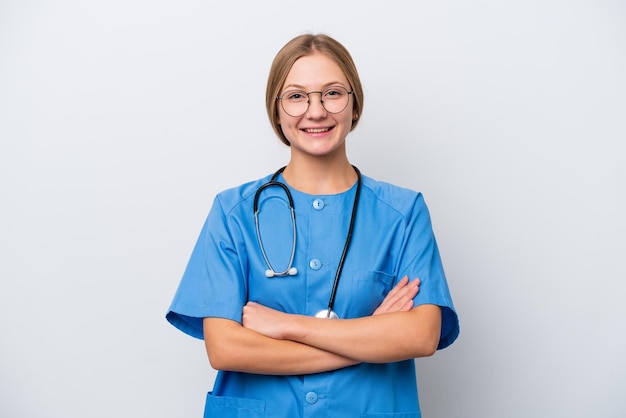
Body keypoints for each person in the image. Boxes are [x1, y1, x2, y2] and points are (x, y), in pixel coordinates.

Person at [166, 33, 459, 418]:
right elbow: (226, 349)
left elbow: (421, 336)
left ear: (355, 106)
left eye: (333, 93)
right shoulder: (233, 212)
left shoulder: (403, 213)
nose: (316, 111)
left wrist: (287, 326)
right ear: (277, 111)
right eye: (297, 96)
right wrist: (369, 336)